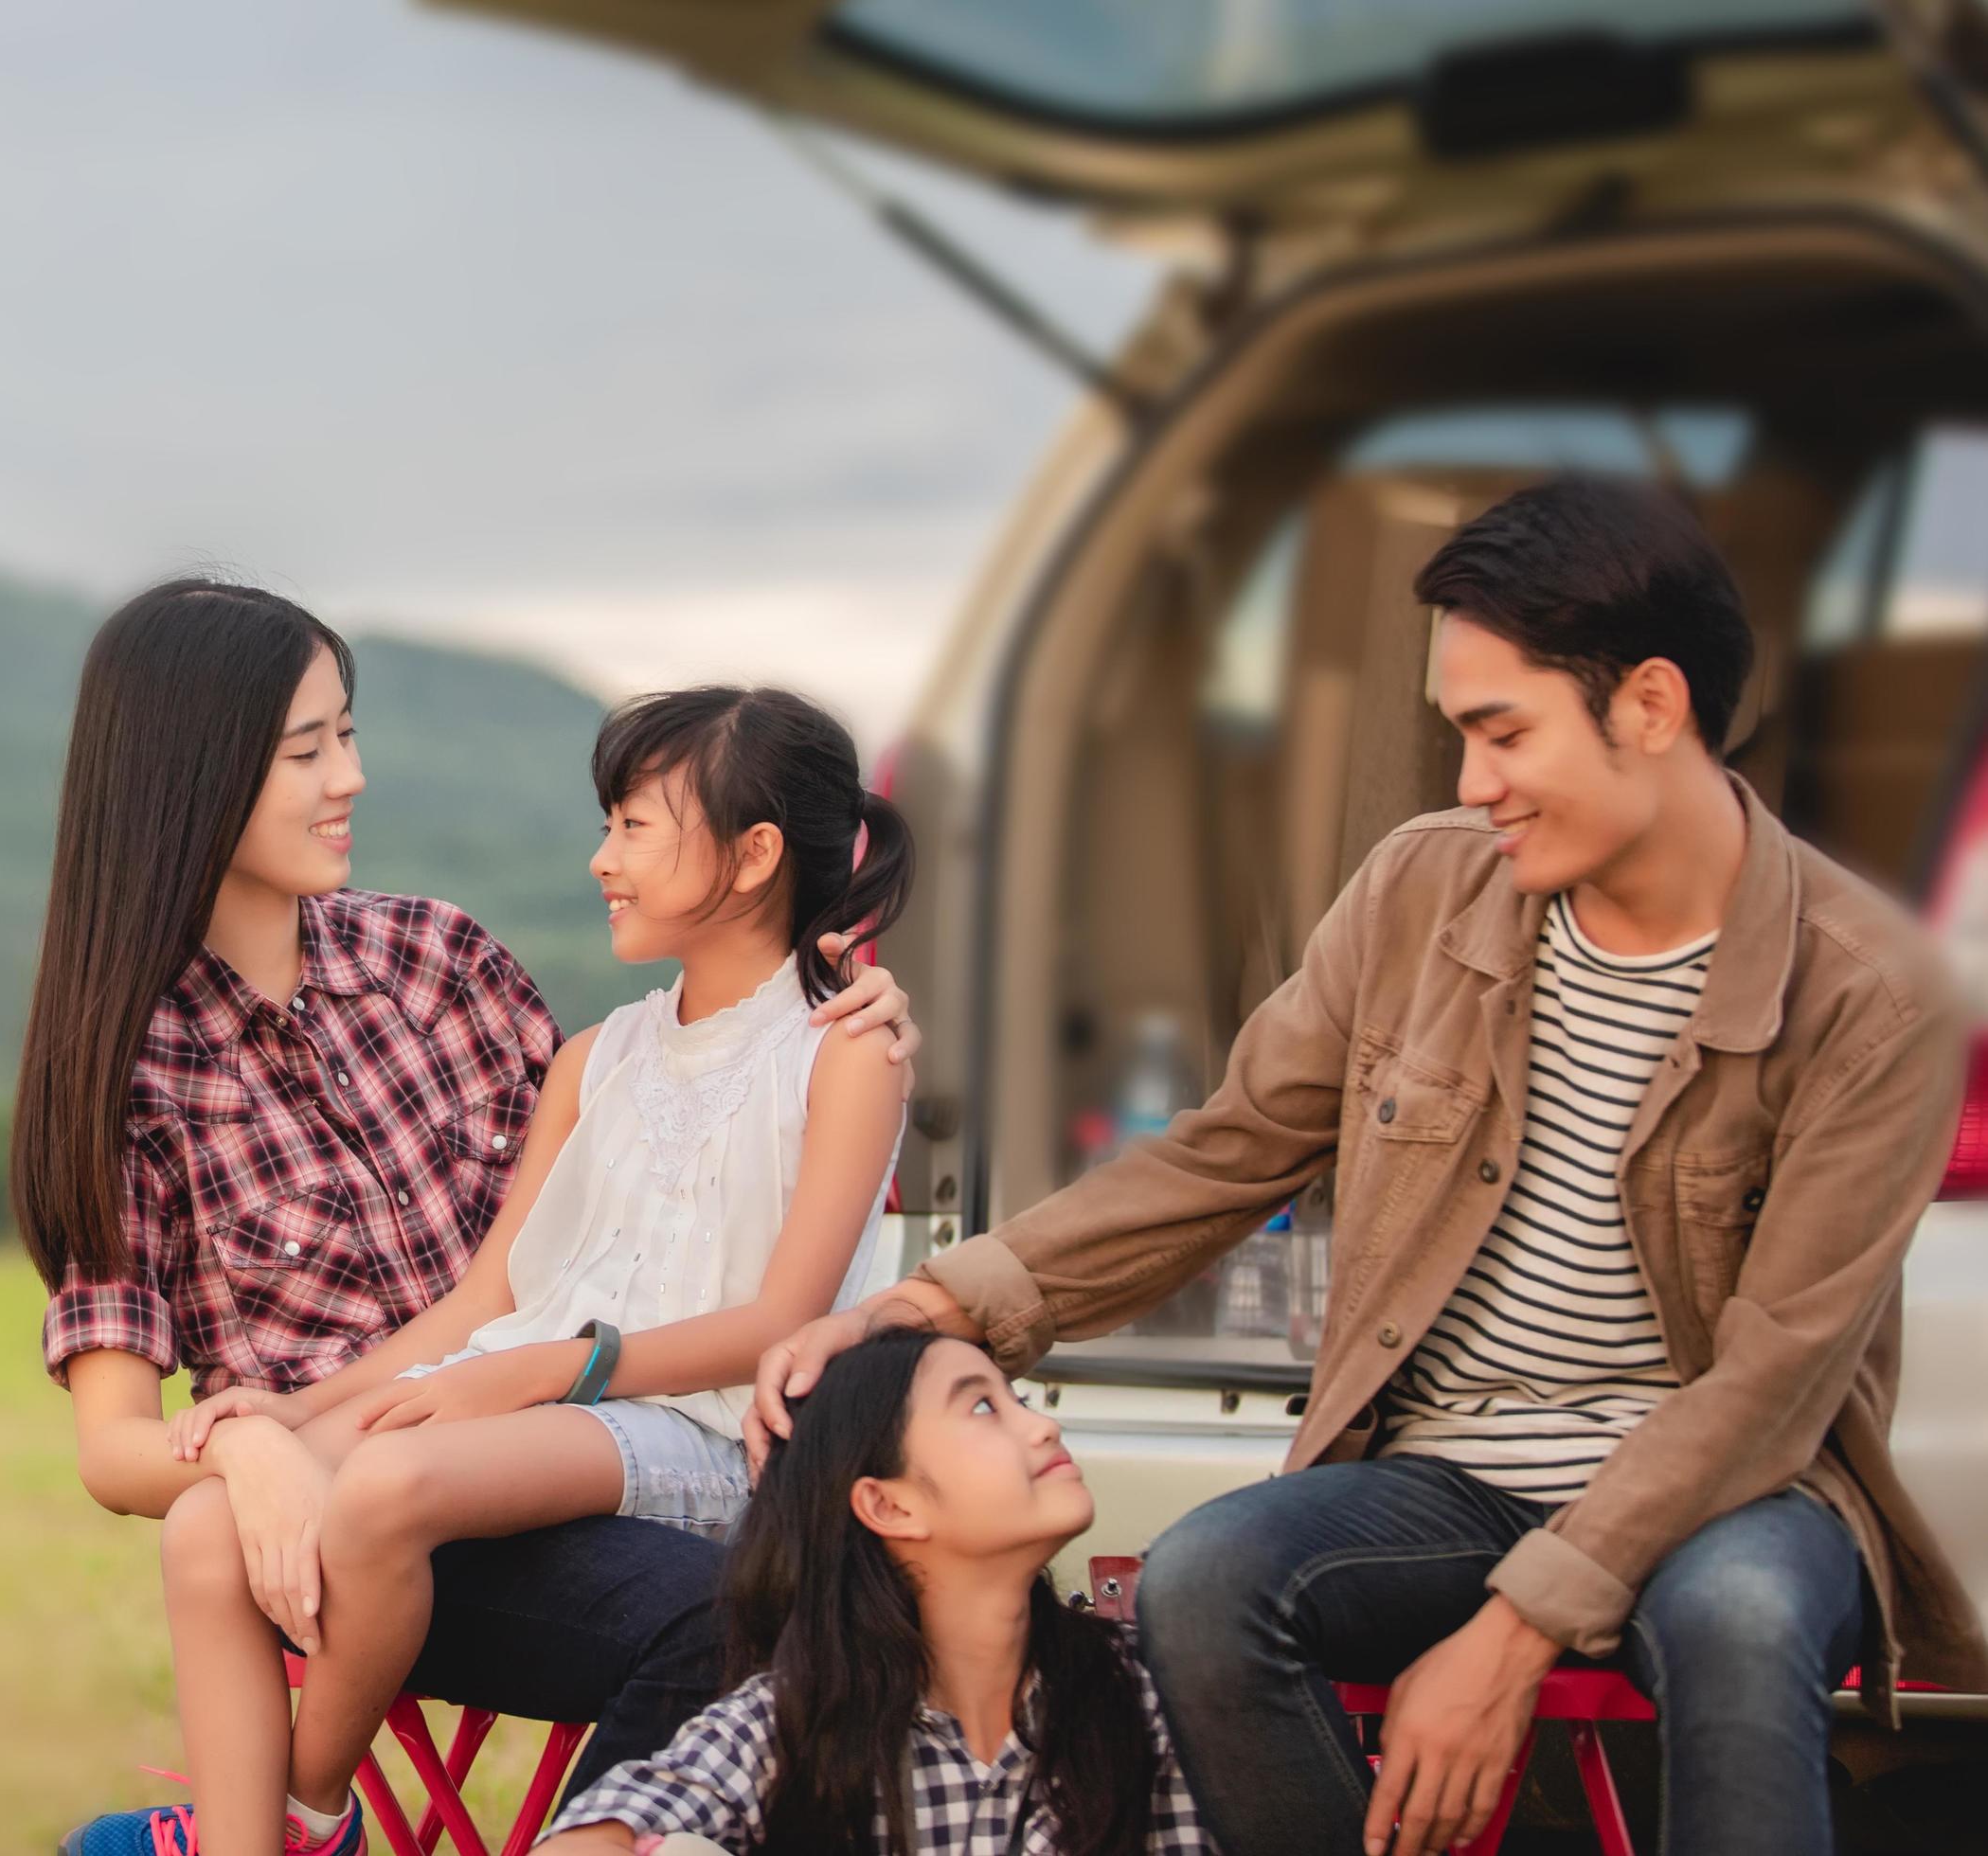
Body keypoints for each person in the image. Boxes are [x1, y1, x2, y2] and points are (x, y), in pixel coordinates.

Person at [749, 477, 1987, 1856]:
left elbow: (1775, 1379)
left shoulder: (1873, 992)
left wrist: (1513, 1632)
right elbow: (1225, 1152)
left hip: (1734, 1489)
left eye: (1503, 732)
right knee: (1208, 1577)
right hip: (1446, 1474)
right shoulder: (1418, 891)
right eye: (1458, 735)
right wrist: (938, 1304)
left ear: (1650, 704)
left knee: (1740, 1618)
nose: (1472, 785)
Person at [14, 582, 918, 1856]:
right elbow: (116, 1453)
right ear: (196, 771)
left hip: (559, 1459)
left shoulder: (443, 964)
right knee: (237, 1520)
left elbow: (625, 1226)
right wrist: (248, 1444)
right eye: (309, 748)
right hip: (324, 1524)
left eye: (350, 733)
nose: (353, 778)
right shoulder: (125, 1077)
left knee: (742, 1619)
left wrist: (850, 1022)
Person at [542, 1321, 1208, 1855]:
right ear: (889, 1507)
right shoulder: (795, 1721)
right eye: (983, 1406)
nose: (1043, 1426)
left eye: (1021, 1401)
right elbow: (599, 1831)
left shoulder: (1147, 1688)